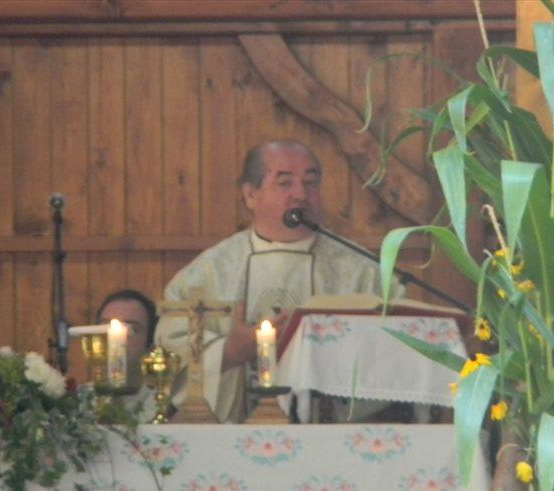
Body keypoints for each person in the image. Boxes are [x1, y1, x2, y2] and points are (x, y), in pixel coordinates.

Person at [157, 140, 404, 423]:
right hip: (231, 438)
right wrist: (228, 353)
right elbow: (170, 348)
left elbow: (395, 353)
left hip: (332, 439)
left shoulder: (362, 273)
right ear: (251, 195)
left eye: (310, 183)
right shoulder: (207, 274)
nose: (301, 194)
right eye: (285, 183)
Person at [95, 289, 159, 422]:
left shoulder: (160, 408)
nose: (116, 336)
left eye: (132, 328)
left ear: (150, 345)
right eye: (105, 326)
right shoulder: (77, 402)